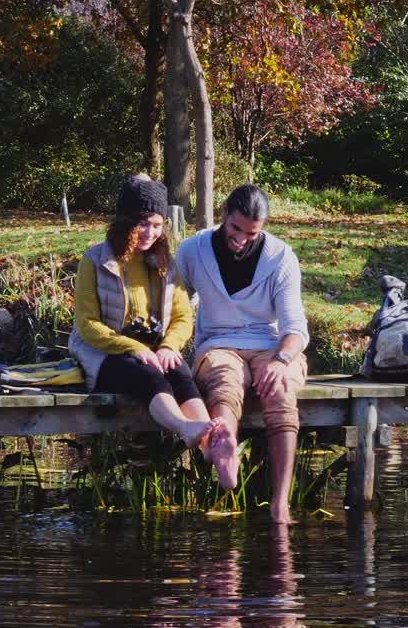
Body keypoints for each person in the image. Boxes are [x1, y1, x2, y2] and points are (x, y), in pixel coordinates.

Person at [68, 174, 237, 485]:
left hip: (155, 349)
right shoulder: (95, 260)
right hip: (104, 351)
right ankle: (186, 429)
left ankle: (214, 439)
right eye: (143, 223)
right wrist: (135, 348)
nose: (150, 232)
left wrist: (169, 346)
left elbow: (183, 316)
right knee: (147, 375)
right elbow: (87, 324)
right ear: (125, 221)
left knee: (180, 373)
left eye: (157, 225)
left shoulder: (164, 263)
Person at [174, 184, 309, 524]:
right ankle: (224, 450)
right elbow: (173, 306)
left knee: (279, 392)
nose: (242, 239)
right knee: (225, 380)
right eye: (236, 229)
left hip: (270, 345)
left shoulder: (280, 257)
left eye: (252, 233)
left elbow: (295, 327)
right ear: (224, 216)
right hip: (218, 343)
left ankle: (280, 504)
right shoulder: (193, 250)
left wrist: (281, 361)